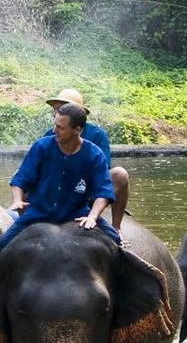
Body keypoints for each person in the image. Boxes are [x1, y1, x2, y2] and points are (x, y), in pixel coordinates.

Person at [0, 102, 120, 248]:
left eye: (60, 128)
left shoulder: (94, 155)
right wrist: (17, 200)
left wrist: (93, 216)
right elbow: (21, 179)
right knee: (4, 242)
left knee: (115, 239)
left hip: (76, 213)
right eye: (55, 124)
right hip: (38, 212)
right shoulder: (42, 146)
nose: (54, 130)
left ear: (77, 130)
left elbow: (103, 192)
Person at [45, 89, 129, 236]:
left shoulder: (97, 135)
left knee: (119, 174)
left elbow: (102, 171)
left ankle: (116, 226)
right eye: (55, 109)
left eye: (60, 109)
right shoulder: (50, 134)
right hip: (60, 189)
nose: (55, 113)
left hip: (88, 188)